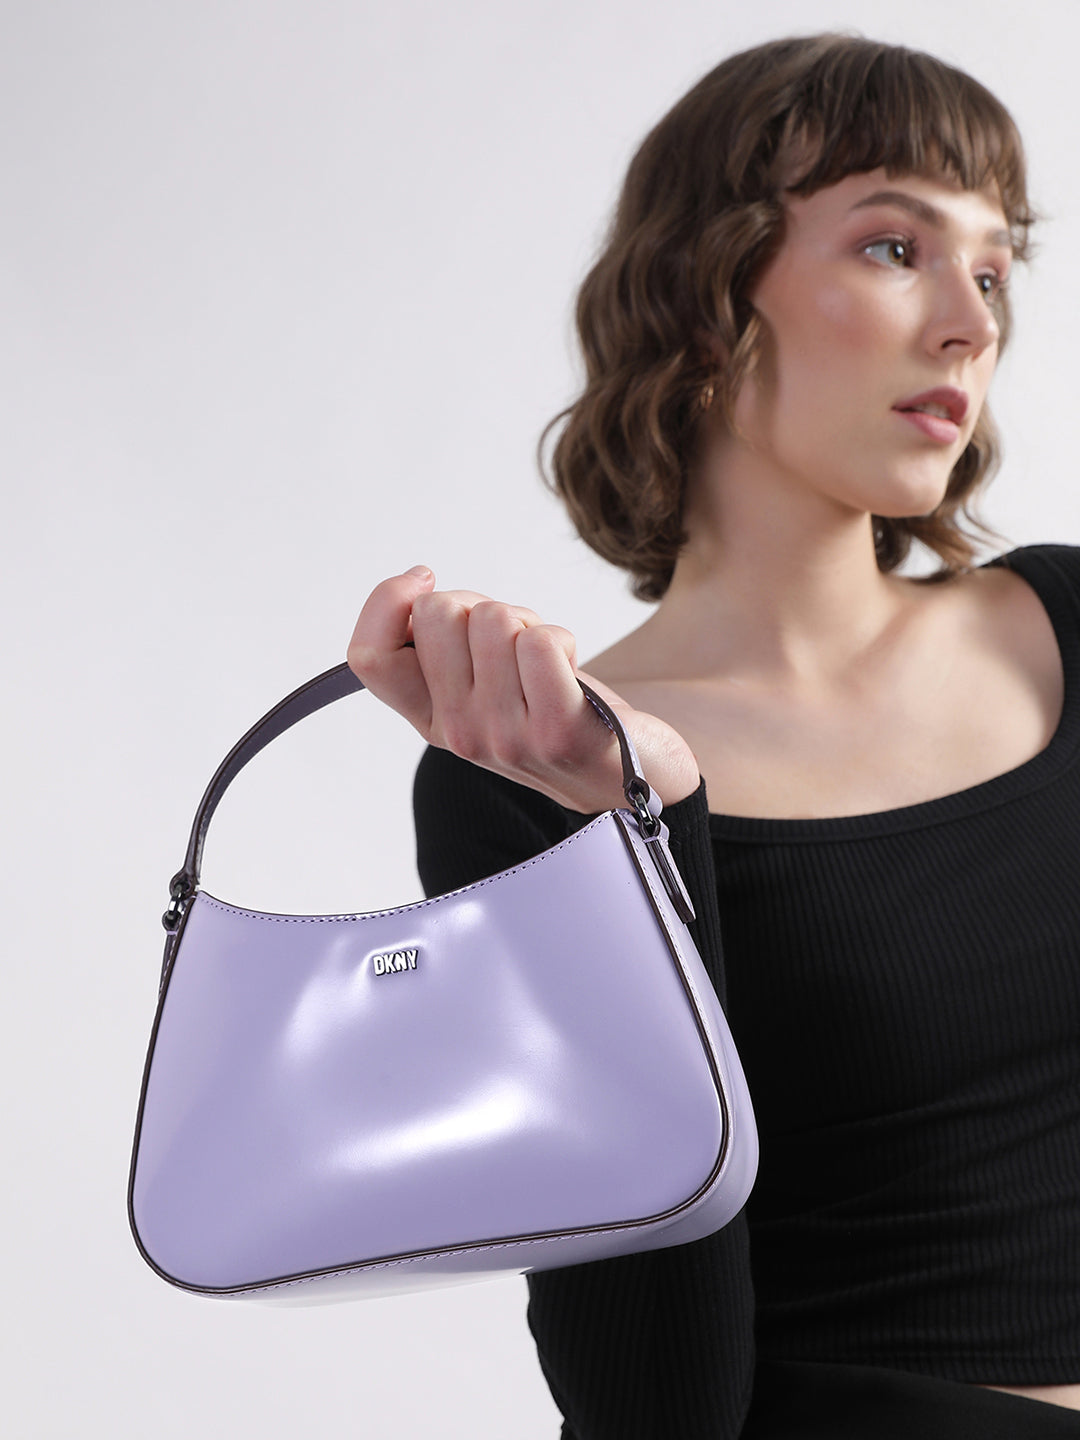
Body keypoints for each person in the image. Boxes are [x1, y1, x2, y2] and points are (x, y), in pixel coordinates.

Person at [347, 32, 1080, 1440]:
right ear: (704, 299)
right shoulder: (532, 763)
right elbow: (651, 1407)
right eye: (893, 247)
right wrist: (634, 835)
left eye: (995, 271)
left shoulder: (1069, 625)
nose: (970, 323)